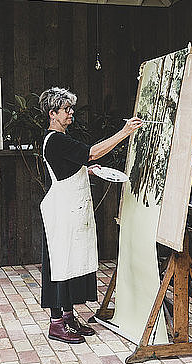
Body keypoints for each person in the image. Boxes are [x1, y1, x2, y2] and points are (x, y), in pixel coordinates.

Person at [38, 87, 142, 344]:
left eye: (71, 108)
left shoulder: (61, 139)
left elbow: (70, 167)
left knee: (71, 263)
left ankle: (68, 316)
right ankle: (56, 323)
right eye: (66, 110)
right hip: (62, 212)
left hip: (70, 211)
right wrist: (125, 132)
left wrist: (88, 172)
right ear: (53, 114)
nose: (71, 113)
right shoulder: (56, 140)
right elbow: (91, 153)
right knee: (60, 265)